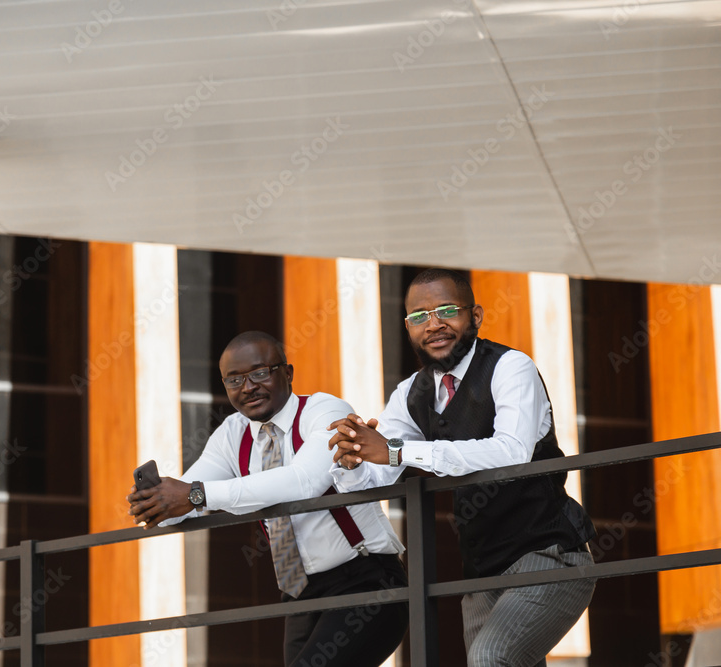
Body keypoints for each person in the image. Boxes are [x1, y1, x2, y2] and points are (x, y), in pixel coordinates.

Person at [328, 268, 596, 667]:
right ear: (407, 326)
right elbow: (380, 473)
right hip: (481, 570)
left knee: (490, 658)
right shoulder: (409, 394)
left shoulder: (511, 367)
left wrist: (399, 452)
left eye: (447, 310)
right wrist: (352, 460)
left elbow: (511, 451)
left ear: (475, 316)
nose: (433, 325)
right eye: (419, 316)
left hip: (550, 553)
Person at [126, 331, 408, 667]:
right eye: (234, 380)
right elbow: (188, 497)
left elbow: (303, 482)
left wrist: (195, 495)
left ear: (287, 373)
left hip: (366, 581)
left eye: (260, 373)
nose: (247, 387)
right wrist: (157, 503)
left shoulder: (324, 410)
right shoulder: (233, 434)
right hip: (299, 593)